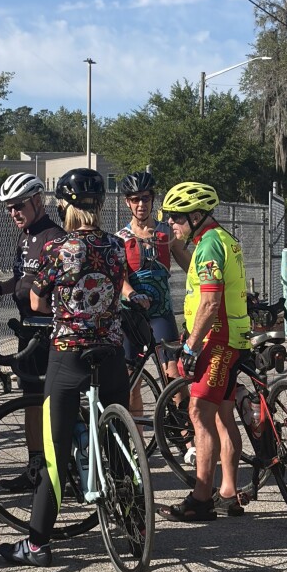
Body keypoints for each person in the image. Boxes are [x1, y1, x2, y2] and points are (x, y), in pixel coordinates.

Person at [0, 168, 131, 567]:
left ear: (64, 208)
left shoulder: (60, 248)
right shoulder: (116, 245)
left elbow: (37, 301)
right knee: (119, 443)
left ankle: (37, 544)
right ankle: (134, 523)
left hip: (69, 352)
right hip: (112, 351)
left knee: (53, 455)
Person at [154, 182, 252, 522]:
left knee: (199, 413)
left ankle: (200, 499)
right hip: (231, 337)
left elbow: (210, 303)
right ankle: (228, 493)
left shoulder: (209, 245)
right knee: (223, 415)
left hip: (218, 340)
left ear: (196, 216)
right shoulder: (221, 238)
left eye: (177, 217)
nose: (171, 223)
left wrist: (189, 347)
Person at [0, 172, 65, 491]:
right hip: (28, 330)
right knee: (31, 400)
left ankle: (60, 466)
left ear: (38, 201)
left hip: (48, 332)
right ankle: (35, 466)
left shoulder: (54, 237)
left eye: (19, 205)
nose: (13, 212)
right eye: (9, 207)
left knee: (49, 401)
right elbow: (22, 280)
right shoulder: (25, 237)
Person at [116, 171, 190, 419]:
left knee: (173, 373)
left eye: (145, 198)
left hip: (161, 312)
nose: (141, 204)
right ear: (127, 202)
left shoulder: (167, 234)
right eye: (135, 199)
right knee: (131, 379)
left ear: (152, 199)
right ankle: (136, 436)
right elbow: (120, 278)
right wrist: (131, 294)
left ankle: (184, 431)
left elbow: (191, 267)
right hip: (132, 315)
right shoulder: (120, 239)